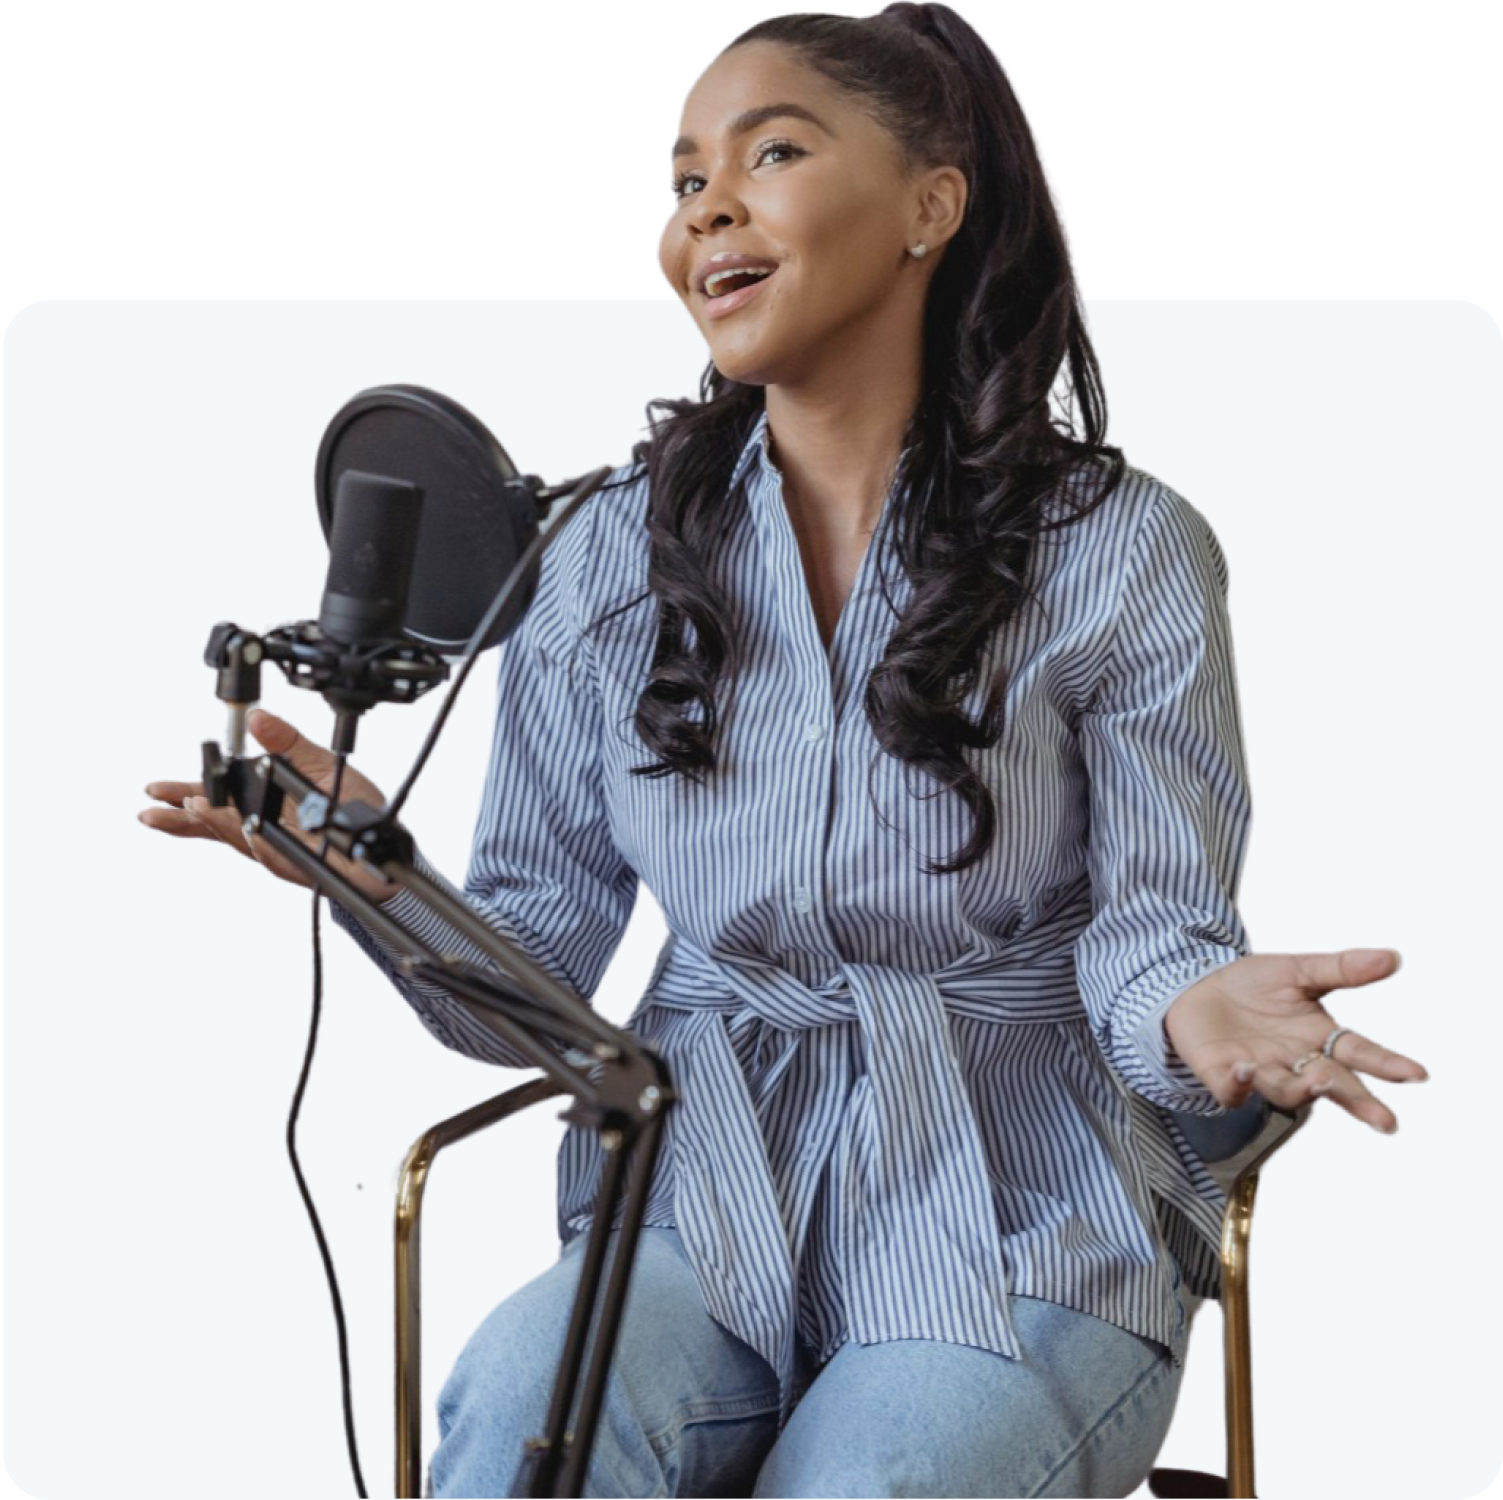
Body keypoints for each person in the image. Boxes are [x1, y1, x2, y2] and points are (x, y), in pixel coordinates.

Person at [140, 5, 1430, 1496]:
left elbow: (1152, 928)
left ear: (928, 209)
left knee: (869, 1480)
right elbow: (530, 989)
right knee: (516, 1416)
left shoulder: (1118, 548)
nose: (710, 211)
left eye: (774, 153)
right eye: (685, 181)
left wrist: (1197, 1007)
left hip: (1022, 1195)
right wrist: (370, 872)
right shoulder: (602, 555)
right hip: (702, 1188)